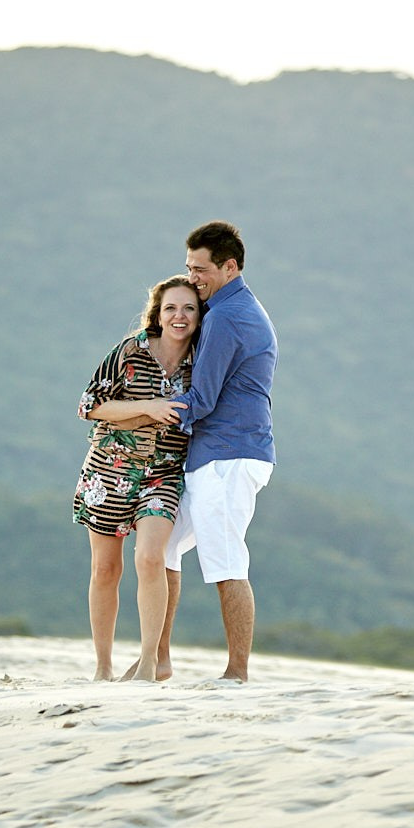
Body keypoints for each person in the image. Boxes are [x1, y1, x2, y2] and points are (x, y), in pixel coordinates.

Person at [140, 220, 277, 683]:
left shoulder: (227, 316)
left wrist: (132, 413)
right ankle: (159, 660)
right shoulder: (227, 308)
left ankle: (237, 673)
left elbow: (200, 400)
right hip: (214, 454)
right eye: (189, 267)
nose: (192, 277)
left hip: (229, 456)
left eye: (200, 269)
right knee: (164, 549)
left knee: (226, 562)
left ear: (229, 267)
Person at [74, 276, 200, 681]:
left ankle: (149, 663)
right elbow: (90, 406)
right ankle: (103, 667)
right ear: (157, 314)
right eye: (171, 308)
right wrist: (149, 406)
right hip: (109, 470)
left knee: (150, 558)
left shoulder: (202, 359)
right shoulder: (131, 351)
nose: (179, 316)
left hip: (163, 473)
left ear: (200, 316)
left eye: (189, 308)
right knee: (105, 570)